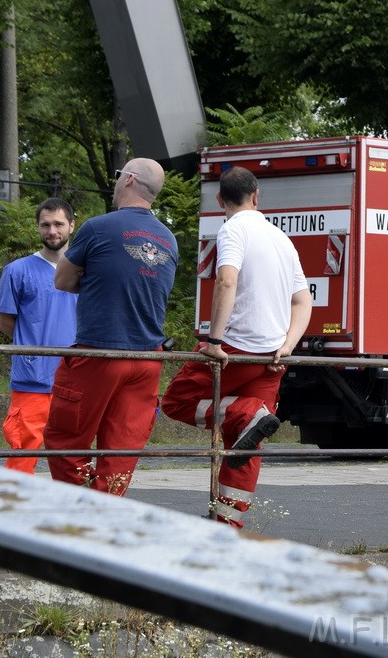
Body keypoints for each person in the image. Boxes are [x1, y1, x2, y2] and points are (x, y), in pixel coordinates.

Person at [160, 166, 311, 527]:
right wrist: (287, 345)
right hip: (273, 356)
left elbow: (227, 281)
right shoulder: (281, 239)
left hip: (234, 349)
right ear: (257, 196)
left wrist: (213, 340)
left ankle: (246, 413)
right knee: (246, 442)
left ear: (220, 200)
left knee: (175, 402)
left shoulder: (231, 230)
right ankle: (227, 523)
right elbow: (303, 301)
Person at [44, 158, 178, 495]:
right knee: (121, 450)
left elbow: (62, 280)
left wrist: (90, 281)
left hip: (100, 351)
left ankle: (81, 512)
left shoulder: (98, 227)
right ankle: (105, 516)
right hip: (148, 358)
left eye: (120, 176)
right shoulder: (168, 239)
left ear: (129, 180)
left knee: (65, 439)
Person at [0, 198, 78, 474]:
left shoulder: (85, 271)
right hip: (33, 380)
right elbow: (5, 322)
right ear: (38, 228)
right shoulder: (17, 271)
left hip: (76, 378)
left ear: (71, 226)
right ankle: (12, 512)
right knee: (22, 451)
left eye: (58, 224)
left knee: (73, 456)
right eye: (45, 225)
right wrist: (31, 349)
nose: (52, 231)